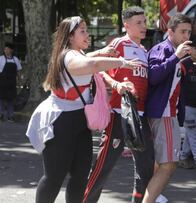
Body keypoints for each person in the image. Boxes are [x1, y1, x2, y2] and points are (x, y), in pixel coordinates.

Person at [25, 16, 140, 203]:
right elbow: (92, 65)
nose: (87, 34)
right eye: (83, 31)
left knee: (80, 176)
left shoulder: (77, 53)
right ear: (70, 37)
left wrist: (102, 51)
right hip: (60, 121)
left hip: (80, 120)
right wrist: (122, 62)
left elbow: (88, 58)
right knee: (55, 177)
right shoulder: (69, 57)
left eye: (87, 30)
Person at [82, 6, 155, 203]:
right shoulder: (119, 44)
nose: (143, 26)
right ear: (127, 25)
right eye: (138, 23)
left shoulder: (144, 50)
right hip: (118, 113)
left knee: (146, 167)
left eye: (145, 22)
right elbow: (98, 68)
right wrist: (116, 84)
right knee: (103, 167)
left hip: (140, 116)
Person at [142, 13, 192, 203]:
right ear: (170, 32)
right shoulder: (162, 49)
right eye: (182, 32)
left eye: (189, 32)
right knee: (169, 165)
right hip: (163, 114)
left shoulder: (178, 51)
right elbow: (153, 77)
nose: (187, 36)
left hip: (169, 114)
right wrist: (176, 56)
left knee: (160, 163)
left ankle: (152, 196)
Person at [178, 36, 196, 172]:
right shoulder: (183, 64)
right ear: (189, 50)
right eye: (195, 48)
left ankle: (183, 158)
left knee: (192, 134)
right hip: (187, 106)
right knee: (194, 132)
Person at [0, 42, 22, 122]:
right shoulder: (1, 59)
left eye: (8, 49)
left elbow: (19, 72)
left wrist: (19, 81)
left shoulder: (15, 59)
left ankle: (10, 116)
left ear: (11, 50)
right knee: (1, 99)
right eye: (5, 49)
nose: (6, 50)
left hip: (12, 83)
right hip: (2, 82)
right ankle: (1, 114)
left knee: (11, 100)